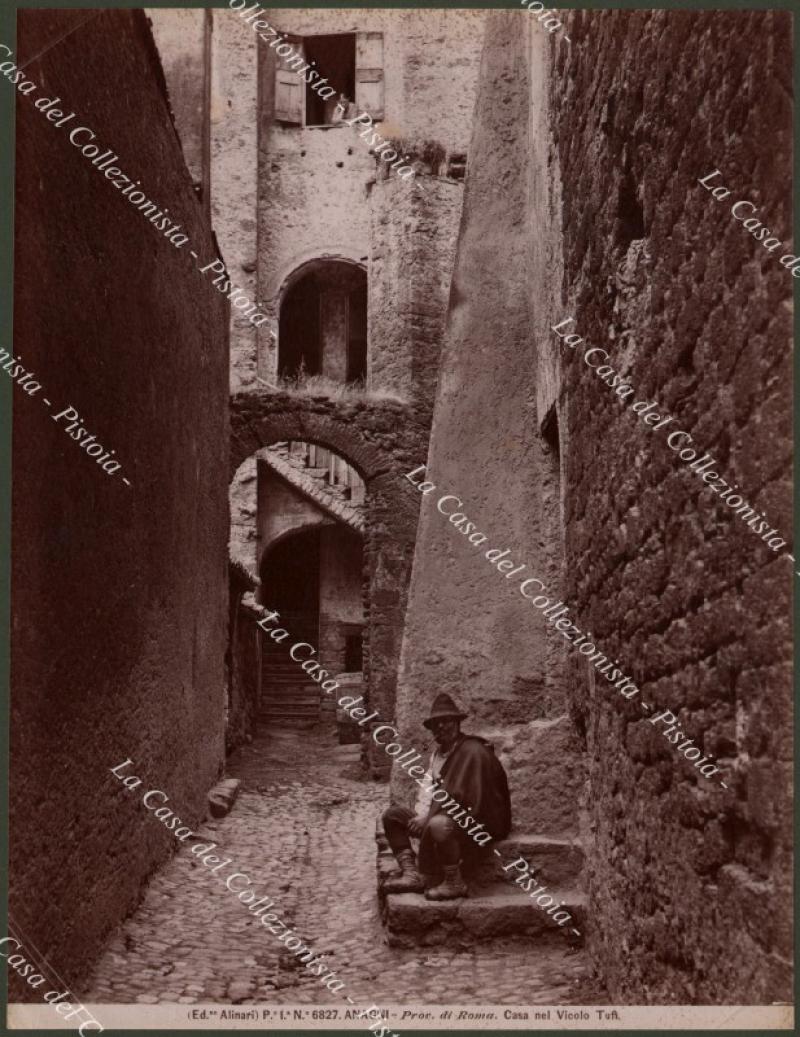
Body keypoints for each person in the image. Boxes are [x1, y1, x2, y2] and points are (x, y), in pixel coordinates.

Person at [381, 693, 511, 900]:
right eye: (436, 724)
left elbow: (473, 800)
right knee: (392, 816)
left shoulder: (473, 752)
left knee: (439, 824)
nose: (441, 727)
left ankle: (454, 882)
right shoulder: (437, 755)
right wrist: (422, 815)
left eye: (447, 721)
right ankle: (412, 874)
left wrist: (429, 818)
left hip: (473, 823)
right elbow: (430, 793)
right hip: (439, 814)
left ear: (457, 723)